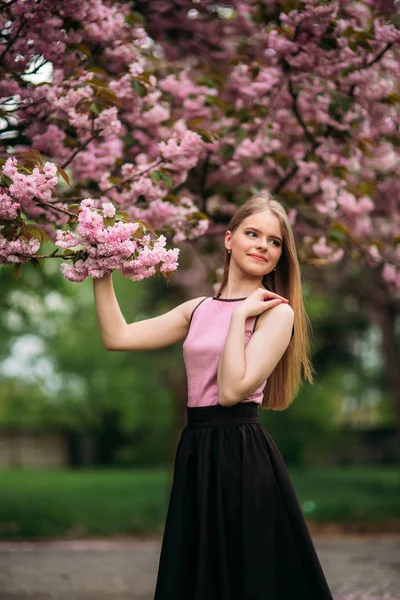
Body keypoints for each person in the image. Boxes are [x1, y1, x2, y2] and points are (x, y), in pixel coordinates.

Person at [93, 193, 334, 600]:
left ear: (280, 255)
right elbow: (118, 337)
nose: (262, 245)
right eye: (252, 233)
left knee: (247, 578)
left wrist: (241, 315)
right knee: (199, 575)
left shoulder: (278, 313)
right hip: (196, 449)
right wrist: (100, 267)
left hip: (242, 454)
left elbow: (230, 392)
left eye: (274, 241)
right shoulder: (198, 309)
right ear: (228, 239)